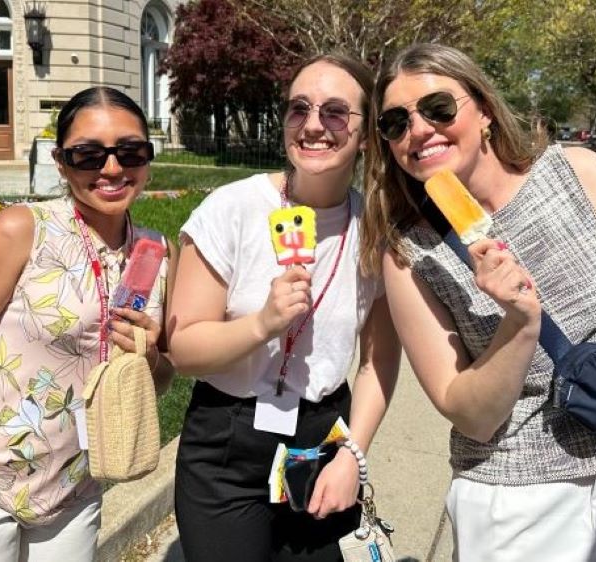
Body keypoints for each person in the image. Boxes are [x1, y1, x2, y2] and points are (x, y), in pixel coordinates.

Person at [360, 43, 596, 561]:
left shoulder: (580, 175)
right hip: (519, 502)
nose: (419, 130)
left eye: (438, 108)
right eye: (395, 123)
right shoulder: (409, 253)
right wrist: (519, 325)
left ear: (482, 109)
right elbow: (468, 414)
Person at [0, 86, 177, 562]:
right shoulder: (20, 231)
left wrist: (152, 355)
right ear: (60, 162)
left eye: (130, 151)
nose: (112, 169)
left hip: (75, 490)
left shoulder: (154, 252)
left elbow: (157, 382)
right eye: (88, 155)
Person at [168, 53, 401, 561]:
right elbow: (183, 349)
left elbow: (378, 362)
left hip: (322, 442)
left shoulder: (376, 230)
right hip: (227, 441)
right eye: (300, 108)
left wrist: (353, 456)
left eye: (336, 112)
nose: (314, 125)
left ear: (365, 136)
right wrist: (263, 323)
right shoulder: (232, 208)